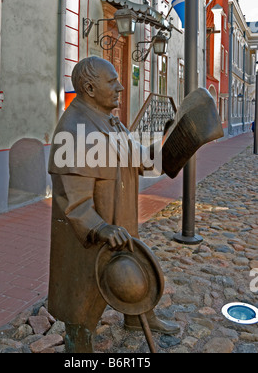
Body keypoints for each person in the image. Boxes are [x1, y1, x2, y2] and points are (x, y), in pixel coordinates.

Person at [47, 56, 179, 353]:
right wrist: (100, 227)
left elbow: (143, 159)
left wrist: (177, 142)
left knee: (131, 269)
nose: (121, 87)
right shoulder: (75, 128)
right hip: (92, 234)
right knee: (83, 296)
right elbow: (72, 199)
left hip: (119, 218)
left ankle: (137, 315)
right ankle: (78, 344)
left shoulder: (110, 122)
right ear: (90, 88)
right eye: (112, 82)